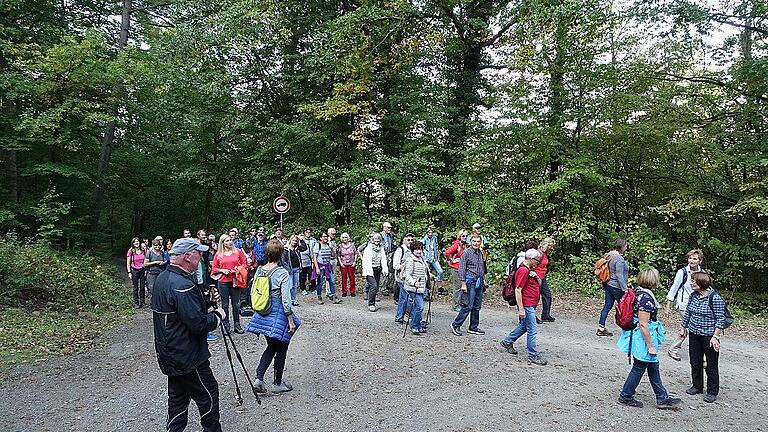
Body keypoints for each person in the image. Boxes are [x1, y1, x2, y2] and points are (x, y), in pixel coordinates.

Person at [151, 238, 225, 432]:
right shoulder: (182, 284)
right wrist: (217, 316)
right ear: (187, 256)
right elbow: (198, 324)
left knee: (178, 398)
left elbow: (181, 313)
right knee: (208, 394)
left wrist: (206, 302)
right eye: (198, 253)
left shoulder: (163, 278)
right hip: (189, 355)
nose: (201, 257)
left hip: (169, 353)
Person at [617, 268, 682, 410]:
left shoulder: (638, 292)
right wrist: (650, 345)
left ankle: (662, 398)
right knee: (639, 366)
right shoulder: (645, 298)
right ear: (653, 281)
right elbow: (643, 324)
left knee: (653, 366)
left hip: (641, 336)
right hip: (643, 338)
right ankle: (626, 396)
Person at [246, 239, 300, 394]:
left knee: (271, 346)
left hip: (263, 310)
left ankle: (259, 378)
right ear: (281, 253)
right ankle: (277, 383)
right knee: (282, 346)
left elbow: (253, 291)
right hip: (277, 312)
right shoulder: (282, 272)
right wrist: (290, 319)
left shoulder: (260, 270)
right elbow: (286, 299)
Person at [681, 272, 726, 403]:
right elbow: (688, 312)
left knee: (711, 364)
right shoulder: (693, 295)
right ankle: (697, 386)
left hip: (709, 336)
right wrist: (683, 327)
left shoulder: (715, 298)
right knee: (695, 361)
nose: (691, 283)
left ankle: (712, 391)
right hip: (694, 333)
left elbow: (720, 319)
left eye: (693, 282)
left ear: (701, 283)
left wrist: (715, 337)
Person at [500, 248, 546, 365]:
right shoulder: (523, 271)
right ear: (530, 259)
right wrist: (521, 309)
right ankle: (532, 355)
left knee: (524, 326)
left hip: (531, 303)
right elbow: (518, 290)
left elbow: (538, 283)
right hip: (527, 304)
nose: (538, 263)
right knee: (532, 329)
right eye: (537, 260)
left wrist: (536, 277)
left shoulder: (530, 270)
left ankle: (507, 341)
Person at [665, 249, 705, 361]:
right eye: (690, 258)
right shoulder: (682, 272)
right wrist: (668, 306)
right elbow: (673, 289)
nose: (691, 261)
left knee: (692, 328)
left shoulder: (702, 273)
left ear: (700, 261)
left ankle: (675, 349)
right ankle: (674, 349)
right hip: (684, 305)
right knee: (689, 327)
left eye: (694, 258)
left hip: (697, 305)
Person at [450, 234, 486, 336]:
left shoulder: (480, 252)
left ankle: (473, 327)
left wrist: (484, 280)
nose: (476, 243)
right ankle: (456, 325)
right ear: (470, 242)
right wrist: (463, 284)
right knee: (467, 306)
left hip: (479, 281)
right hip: (470, 282)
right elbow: (461, 268)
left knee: (477, 306)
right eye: (474, 241)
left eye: (478, 241)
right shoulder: (466, 253)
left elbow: (481, 267)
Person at [212, 233, 246, 335]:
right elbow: (214, 269)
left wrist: (238, 268)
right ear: (222, 243)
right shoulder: (218, 255)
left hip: (235, 280)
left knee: (236, 304)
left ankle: (237, 324)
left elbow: (244, 264)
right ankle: (226, 324)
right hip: (223, 282)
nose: (229, 242)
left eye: (230, 240)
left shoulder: (238, 252)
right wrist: (222, 270)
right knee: (225, 305)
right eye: (226, 240)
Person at [597, 239, 629, 337]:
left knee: (607, 306)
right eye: (626, 246)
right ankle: (628, 328)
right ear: (622, 247)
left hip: (608, 284)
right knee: (625, 308)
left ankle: (601, 328)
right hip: (616, 286)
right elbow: (619, 275)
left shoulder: (609, 254)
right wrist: (625, 289)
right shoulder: (619, 259)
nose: (627, 248)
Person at [403, 240, 429, 335]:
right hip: (414, 288)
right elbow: (407, 274)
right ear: (413, 250)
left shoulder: (422, 259)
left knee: (418, 307)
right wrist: (414, 283)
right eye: (417, 249)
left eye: (420, 249)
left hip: (421, 287)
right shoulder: (410, 260)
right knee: (419, 307)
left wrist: (430, 276)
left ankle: (417, 325)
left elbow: (425, 271)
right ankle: (414, 326)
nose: (419, 251)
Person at [362, 233, 388, 312]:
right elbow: (365, 260)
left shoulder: (381, 248)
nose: (377, 241)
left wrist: (385, 269)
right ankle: (371, 304)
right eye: (375, 240)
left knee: (375, 286)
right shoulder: (368, 248)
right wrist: (365, 271)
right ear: (372, 240)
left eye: (378, 240)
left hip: (377, 269)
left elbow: (383, 259)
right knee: (374, 286)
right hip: (370, 270)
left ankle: (372, 301)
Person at [313, 232, 340, 304]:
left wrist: (332, 249)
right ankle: (319, 296)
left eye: (326, 236)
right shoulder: (317, 246)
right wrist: (317, 268)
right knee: (320, 282)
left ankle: (334, 297)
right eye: (324, 236)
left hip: (328, 266)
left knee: (332, 281)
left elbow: (334, 256)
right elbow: (314, 258)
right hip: (320, 266)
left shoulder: (329, 245)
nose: (325, 238)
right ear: (320, 238)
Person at [443, 230, 468, 311]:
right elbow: (447, 253)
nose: (465, 237)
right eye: (463, 236)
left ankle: (460, 303)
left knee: (462, 287)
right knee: (457, 287)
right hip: (456, 268)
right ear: (459, 236)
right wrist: (452, 260)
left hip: (463, 269)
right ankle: (455, 305)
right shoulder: (456, 245)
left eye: (466, 236)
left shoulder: (466, 245)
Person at [393, 234, 415, 322]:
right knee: (407, 296)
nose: (410, 241)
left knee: (403, 297)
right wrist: (404, 265)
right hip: (400, 278)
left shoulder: (412, 251)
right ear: (403, 240)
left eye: (411, 240)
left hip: (408, 278)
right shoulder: (400, 250)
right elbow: (395, 265)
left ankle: (399, 317)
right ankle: (408, 316)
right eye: (408, 240)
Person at [536, 238, 556, 323]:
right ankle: (530, 316)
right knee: (534, 297)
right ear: (546, 245)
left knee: (547, 295)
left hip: (542, 277)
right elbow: (532, 265)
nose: (552, 248)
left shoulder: (544, 254)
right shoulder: (539, 254)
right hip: (536, 277)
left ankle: (545, 315)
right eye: (550, 246)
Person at [281, 235, 302, 306]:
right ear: (290, 240)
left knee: (295, 286)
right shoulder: (286, 249)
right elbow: (283, 261)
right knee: (290, 286)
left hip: (296, 268)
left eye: (295, 241)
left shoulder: (297, 249)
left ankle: (293, 300)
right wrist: (287, 269)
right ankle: (288, 300)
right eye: (293, 240)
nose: (294, 242)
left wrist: (300, 241)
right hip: (289, 269)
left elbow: (304, 248)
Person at [422, 227, 444, 294]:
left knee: (440, 271)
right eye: (429, 232)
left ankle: (439, 287)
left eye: (431, 232)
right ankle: (426, 291)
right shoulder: (424, 239)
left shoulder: (434, 238)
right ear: (427, 233)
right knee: (426, 274)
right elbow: (421, 246)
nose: (430, 234)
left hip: (434, 258)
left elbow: (436, 247)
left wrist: (437, 256)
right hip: (427, 259)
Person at [126, 237, 146, 308]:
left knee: (142, 287)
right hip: (134, 270)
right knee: (135, 287)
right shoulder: (131, 251)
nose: (136, 243)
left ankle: (142, 301)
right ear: (133, 243)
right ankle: (136, 302)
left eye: (137, 241)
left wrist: (146, 269)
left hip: (142, 270)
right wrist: (129, 272)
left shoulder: (143, 250)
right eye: (135, 242)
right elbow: (128, 262)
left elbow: (146, 260)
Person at [144, 239, 166, 303]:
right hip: (151, 273)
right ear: (153, 245)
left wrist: (163, 263)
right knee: (152, 288)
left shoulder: (162, 252)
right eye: (156, 246)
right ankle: (153, 303)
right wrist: (155, 262)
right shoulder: (149, 252)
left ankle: (160, 303)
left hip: (160, 272)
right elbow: (145, 264)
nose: (157, 247)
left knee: (160, 288)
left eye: (159, 246)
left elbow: (166, 260)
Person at [337, 232, 357, 297]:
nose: (344, 239)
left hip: (351, 264)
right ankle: (344, 291)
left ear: (348, 238)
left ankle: (352, 291)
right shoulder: (340, 246)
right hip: (343, 264)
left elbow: (355, 253)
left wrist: (354, 262)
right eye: (343, 237)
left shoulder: (352, 245)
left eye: (345, 237)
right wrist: (340, 263)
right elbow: (339, 255)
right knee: (344, 278)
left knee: (352, 278)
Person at [298, 228, 317, 296]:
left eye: (309, 232)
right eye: (307, 232)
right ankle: (303, 289)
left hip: (311, 260)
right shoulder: (300, 240)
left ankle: (313, 288)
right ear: (304, 233)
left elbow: (316, 249)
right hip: (302, 260)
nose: (308, 233)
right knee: (302, 276)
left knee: (311, 275)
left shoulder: (313, 240)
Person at [380, 222, 395, 294]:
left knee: (391, 270)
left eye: (390, 228)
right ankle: (383, 288)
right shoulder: (380, 235)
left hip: (390, 254)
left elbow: (392, 244)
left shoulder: (390, 235)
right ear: (384, 227)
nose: (389, 229)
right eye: (388, 227)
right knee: (384, 271)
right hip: (383, 255)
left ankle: (389, 286)